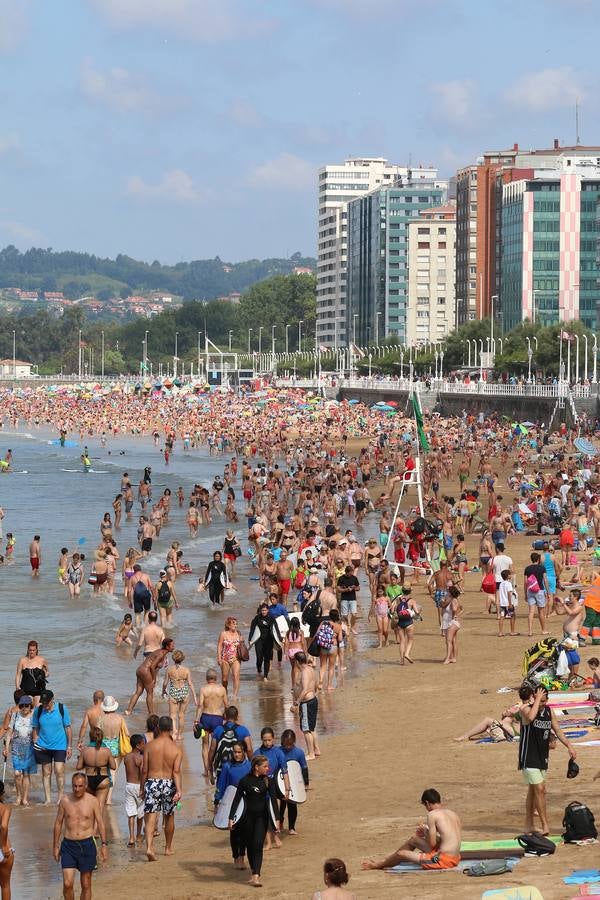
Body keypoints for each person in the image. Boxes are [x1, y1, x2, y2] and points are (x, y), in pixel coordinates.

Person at [517, 683, 576, 835]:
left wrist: (569, 745)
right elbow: (530, 717)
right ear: (533, 698)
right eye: (539, 700)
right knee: (541, 790)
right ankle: (545, 826)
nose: (542, 704)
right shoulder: (525, 709)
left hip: (542, 757)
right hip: (528, 756)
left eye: (544, 701)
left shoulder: (549, 711)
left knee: (533, 791)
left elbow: (557, 729)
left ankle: (528, 825)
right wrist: (536, 700)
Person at [361, 788, 461, 870]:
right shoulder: (453, 814)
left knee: (401, 854)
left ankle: (377, 865)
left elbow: (432, 845)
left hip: (442, 860)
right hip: (455, 857)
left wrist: (426, 832)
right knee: (414, 840)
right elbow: (447, 840)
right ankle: (385, 860)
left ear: (427, 803)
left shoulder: (432, 815)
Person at [53, 773, 107, 900]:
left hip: (87, 844)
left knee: (86, 884)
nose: (77, 789)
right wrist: (55, 845)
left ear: (86, 785)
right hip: (68, 846)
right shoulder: (65, 801)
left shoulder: (93, 801)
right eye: (74, 786)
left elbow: (100, 823)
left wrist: (104, 845)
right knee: (67, 884)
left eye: (80, 786)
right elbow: (58, 823)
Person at [229, 755, 278, 888]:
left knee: (257, 844)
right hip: (247, 818)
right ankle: (253, 873)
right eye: (265, 766)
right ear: (257, 767)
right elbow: (236, 800)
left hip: (262, 817)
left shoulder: (268, 781)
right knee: (250, 846)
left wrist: (277, 820)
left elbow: (273, 801)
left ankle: (256, 876)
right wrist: (231, 818)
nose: (268, 768)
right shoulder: (245, 781)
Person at [140, 715, 183, 862]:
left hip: (152, 782)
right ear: (171, 730)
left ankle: (150, 847)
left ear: (158, 728)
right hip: (168, 783)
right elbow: (176, 772)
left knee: (150, 816)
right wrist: (179, 790)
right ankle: (168, 848)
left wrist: (141, 787)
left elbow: (144, 770)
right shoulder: (176, 749)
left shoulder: (149, 746)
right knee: (169, 816)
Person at [214, 742, 251, 869]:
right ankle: (236, 857)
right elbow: (221, 785)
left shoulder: (249, 766)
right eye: (234, 752)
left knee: (245, 832)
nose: (236, 754)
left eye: (239, 752)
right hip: (231, 802)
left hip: (245, 803)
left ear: (244, 752)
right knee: (234, 832)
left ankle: (242, 856)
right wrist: (217, 802)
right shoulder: (227, 767)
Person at [32, 689, 72, 805]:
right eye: (43, 702)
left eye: (46, 703)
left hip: (60, 745)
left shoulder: (61, 709)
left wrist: (69, 747)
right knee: (46, 772)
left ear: (52, 700)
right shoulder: (38, 710)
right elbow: (35, 727)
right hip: (43, 746)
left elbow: (68, 728)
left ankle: (60, 798)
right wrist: (35, 740)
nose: (44, 705)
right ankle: (48, 799)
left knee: (59, 770)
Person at [125, 639, 175, 716]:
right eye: (172, 646)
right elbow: (152, 666)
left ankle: (128, 711)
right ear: (167, 647)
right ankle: (151, 714)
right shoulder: (161, 654)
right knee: (150, 693)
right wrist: (154, 679)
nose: (174, 647)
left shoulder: (161, 652)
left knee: (138, 692)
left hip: (140, 670)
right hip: (146, 671)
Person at [3, 694, 37, 806]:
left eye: (26, 705)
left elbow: (38, 732)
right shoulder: (15, 715)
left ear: (30, 706)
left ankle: (25, 798)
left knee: (26, 774)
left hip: (29, 748)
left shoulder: (34, 716)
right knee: (18, 774)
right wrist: (6, 748)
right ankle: (18, 797)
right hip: (16, 748)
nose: (24, 708)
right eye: (22, 705)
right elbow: (9, 732)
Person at [75, 727, 116, 815]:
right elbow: (113, 767)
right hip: (103, 779)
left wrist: (85, 761)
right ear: (102, 737)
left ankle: (88, 827)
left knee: (88, 808)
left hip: (88, 779)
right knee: (100, 809)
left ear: (90, 737)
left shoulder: (85, 750)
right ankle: (97, 828)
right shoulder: (106, 751)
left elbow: (78, 767)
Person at [194, 669, 228, 777]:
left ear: (206, 678)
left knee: (205, 745)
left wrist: (196, 720)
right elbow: (226, 705)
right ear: (216, 678)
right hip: (218, 720)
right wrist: (226, 719)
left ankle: (206, 770)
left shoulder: (203, 689)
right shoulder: (222, 689)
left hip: (205, 720)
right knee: (216, 745)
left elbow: (200, 706)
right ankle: (215, 768)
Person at [208, 706, 253, 784]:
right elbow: (249, 749)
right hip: (239, 767)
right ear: (237, 717)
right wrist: (252, 766)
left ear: (225, 716)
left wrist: (210, 770)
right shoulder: (243, 730)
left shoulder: (218, 730)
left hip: (221, 768)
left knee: (222, 792)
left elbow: (212, 750)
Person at [278, 729, 309, 835]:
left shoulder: (299, 752)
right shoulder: (278, 751)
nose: (288, 747)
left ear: (294, 742)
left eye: (290, 744)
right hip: (281, 782)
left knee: (292, 805)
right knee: (281, 804)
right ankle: (280, 821)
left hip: (294, 782)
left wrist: (305, 783)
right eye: (286, 744)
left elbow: (304, 768)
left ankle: (292, 827)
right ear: (282, 741)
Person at [162, 650, 196, 741]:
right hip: (184, 692)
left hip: (173, 692)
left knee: (172, 715)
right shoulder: (186, 670)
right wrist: (195, 697)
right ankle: (180, 735)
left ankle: (173, 733)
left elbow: (165, 683)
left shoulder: (169, 669)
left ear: (173, 658)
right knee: (181, 715)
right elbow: (190, 683)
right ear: (182, 659)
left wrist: (163, 691)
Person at [293, 653, 320, 760]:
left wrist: (296, 703)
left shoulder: (304, 672)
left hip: (307, 703)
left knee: (306, 729)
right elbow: (317, 684)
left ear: (297, 661)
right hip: (312, 700)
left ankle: (311, 753)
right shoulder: (311, 669)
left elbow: (304, 689)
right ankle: (316, 749)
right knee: (311, 728)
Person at [123, 734, 145, 847]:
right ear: (138, 745)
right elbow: (142, 774)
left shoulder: (126, 757)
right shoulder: (140, 758)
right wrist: (143, 788)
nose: (144, 745)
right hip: (138, 786)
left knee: (131, 813)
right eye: (143, 744)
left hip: (128, 786)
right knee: (140, 813)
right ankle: (138, 834)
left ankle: (131, 837)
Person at [15, 641, 48, 705]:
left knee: (38, 708)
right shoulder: (22, 660)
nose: (32, 652)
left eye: (33, 650)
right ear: (27, 650)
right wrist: (17, 688)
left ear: (37, 650)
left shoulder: (42, 660)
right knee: (28, 710)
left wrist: (43, 675)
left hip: (39, 689)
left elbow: (47, 672)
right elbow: (18, 675)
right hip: (25, 690)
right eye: (30, 650)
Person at [217, 617, 243, 698]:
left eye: (236, 624)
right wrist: (219, 658)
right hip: (225, 658)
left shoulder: (238, 633)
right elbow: (219, 646)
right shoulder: (223, 634)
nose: (235, 625)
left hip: (236, 658)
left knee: (236, 676)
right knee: (225, 679)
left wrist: (242, 641)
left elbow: (242, 645)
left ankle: (235, 696)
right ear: (228, 625)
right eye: (233, 623)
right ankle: (225, 694)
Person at [248, 603, 275, 682]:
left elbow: (276, 629)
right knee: (259, 658)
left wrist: (279, 639)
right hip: (259, 640)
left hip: (269, 640)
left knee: (267, 658)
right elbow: (252, 629)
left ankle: (265, 676)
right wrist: (250, 639)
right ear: (260, 610)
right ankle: (259, 670)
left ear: (268, 610)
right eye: (262, 610)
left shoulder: (271, 618)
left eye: (265, 610)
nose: (263, 612)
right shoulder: (257, 618)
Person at [0, 780, 14, 900]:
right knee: (5, 885)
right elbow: (3, 826)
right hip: (6, 850)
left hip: (3, 846)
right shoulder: (5, 808)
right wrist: (4, 845)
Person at [337, 565, 360, 635]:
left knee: (354, 614)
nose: (350, 574)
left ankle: (352, 627)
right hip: (344, 598)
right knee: (344, 615)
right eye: (349, 573)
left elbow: (358, 588)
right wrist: (346, 589)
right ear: (346, 572)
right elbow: (338, 589)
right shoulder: (341, 578)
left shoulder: (354, 578)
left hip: (353, 598)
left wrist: (353, 588)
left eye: (351, 573)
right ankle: (347, 627)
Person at [498, 568, 518, 637]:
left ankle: (500, 632)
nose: (511, 575)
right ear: (507, 576)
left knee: (502, 617)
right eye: (509, 574)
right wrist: (510, 604)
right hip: (508, 603)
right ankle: (512, 631)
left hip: (502, 603)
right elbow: (509, 594)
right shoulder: (508, 584)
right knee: (513, 616)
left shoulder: (501, 584)